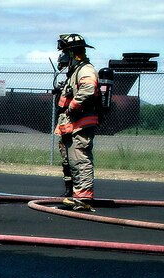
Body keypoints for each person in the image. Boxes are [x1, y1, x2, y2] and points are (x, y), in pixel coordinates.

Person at [54, 33, 101, 212]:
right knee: (71, 161)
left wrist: (73, 106)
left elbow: (89, 88)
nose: (62, 57)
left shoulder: (85, 70)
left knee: (80, 160)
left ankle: (83, 199)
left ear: (73, 53)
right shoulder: (75, 71)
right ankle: (74, 195)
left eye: (64, 52)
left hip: (80, 125)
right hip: (71, 126)